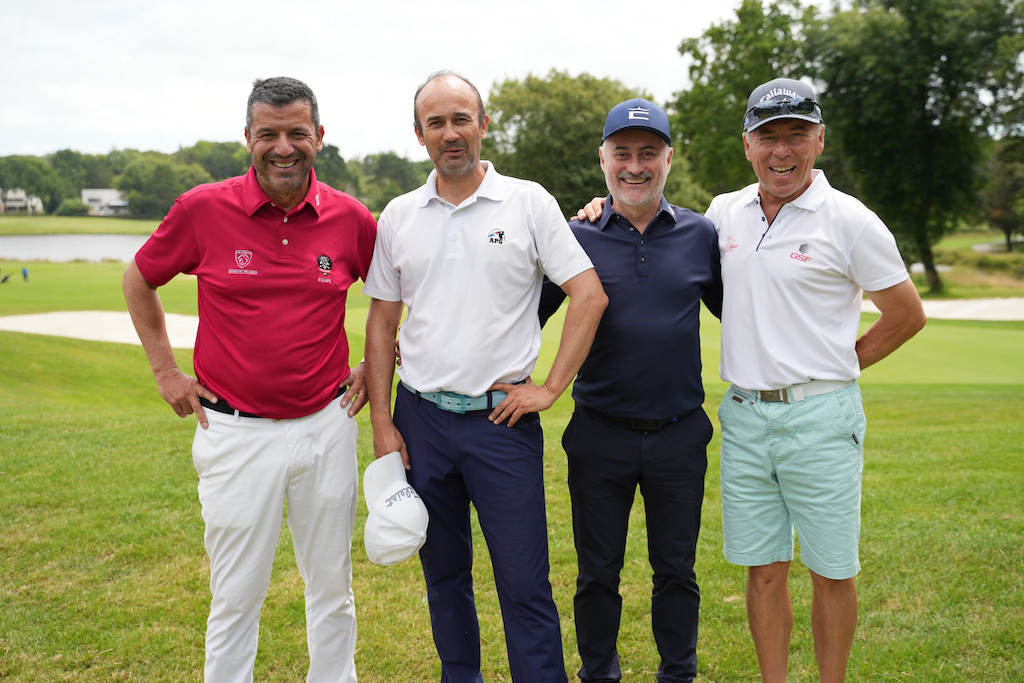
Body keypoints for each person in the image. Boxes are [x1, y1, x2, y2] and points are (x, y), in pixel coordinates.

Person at [580, 78, 926, 682]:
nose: (782, 150)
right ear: (748, 145)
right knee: (764, 569)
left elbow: (907, 314)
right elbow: (667, 246)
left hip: (820, 416)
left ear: (819, 140)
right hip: (743, 414)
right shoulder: (723, 214)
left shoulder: (851, 220)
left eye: (796, 135)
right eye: (768, 136)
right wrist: (597, 208)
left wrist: (840, 367)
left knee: (831, 570)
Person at [122, 76, 376, 683]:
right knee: (236, 596)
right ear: (248, 139)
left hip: (325, 426)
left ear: (319, 136)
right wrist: (165, 371)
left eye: (296, 133)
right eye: (268, 134)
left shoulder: (351, 218)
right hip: (233, 432)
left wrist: (376, 364)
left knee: (332, 590)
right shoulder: (203, 208)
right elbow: (139, 278)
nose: (283, 147)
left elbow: (400, 297)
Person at [362, 70, 608, 683]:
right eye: (436, 122)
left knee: (523, 581)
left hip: (501, 423)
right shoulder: (399, 215)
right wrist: (383, 423)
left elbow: (588, 294)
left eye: (461, 119)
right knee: (444, 579)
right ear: (419, 133)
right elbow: (381, 321)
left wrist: (549, 388)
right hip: (420, 421)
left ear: (484, 124)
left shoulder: (528, 202)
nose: (450, 133)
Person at [540, 98, 722, 683]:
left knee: (676, 570)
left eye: (649, 153)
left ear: (669, 158)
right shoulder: (576, 235)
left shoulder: (701, 235)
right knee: (597, 571)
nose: (635, 166)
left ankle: (678, 673)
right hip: (599, 434)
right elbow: (520, 315)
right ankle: (599, 673)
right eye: (623, 154)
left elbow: (749, 314)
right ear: (603, 159)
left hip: (678, 434)